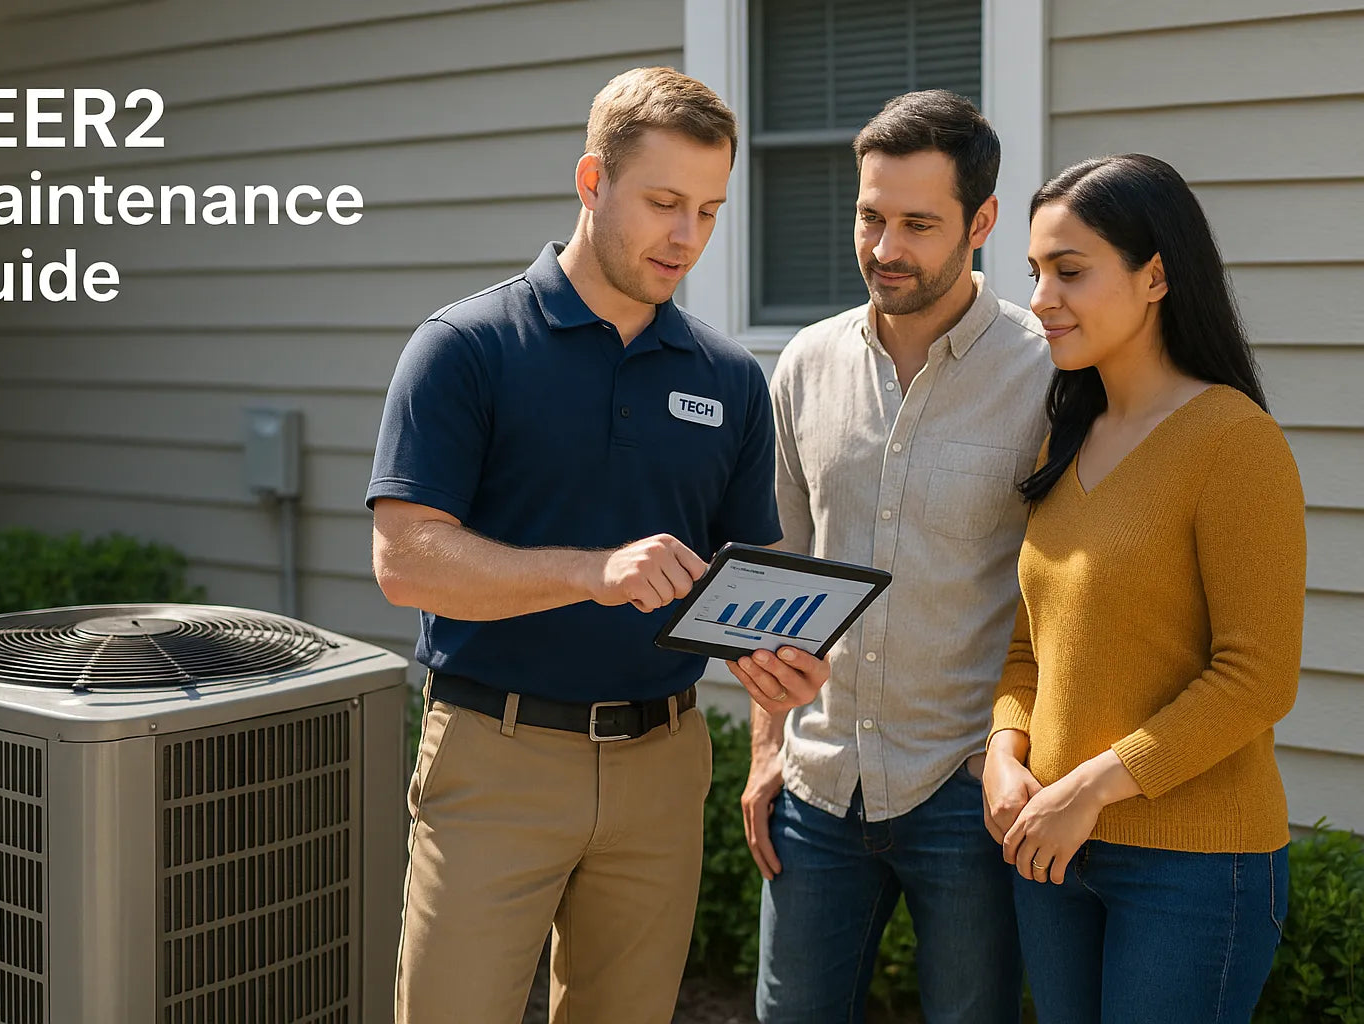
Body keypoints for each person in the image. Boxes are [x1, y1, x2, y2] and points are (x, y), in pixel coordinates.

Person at [367, 66, 831, 1024]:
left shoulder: (731, 379)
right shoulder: (467, 347)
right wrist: (591, 573)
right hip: (496, 758)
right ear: (592, 181)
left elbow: (741, 578)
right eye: (664, 203)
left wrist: (776, 659)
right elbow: (404, 559)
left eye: (708, 210)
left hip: (664, 763)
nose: (688, 238)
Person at [734, 89, 1052, 1024]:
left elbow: (1058, 595)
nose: (885, 247)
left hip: (963, 790)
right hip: (817, 783)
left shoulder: (1047, 373)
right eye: (871, 217)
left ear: (982, 222)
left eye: (918, 223)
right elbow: (778, 569)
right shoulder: (804, 363)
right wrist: (764, 750)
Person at [984, 153, 1306, 1023]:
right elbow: (1030, 646)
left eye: (1070, 271)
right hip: (1051, 855)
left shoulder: (1235, 444)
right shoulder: (1067, 439)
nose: (1041, 297)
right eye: (1036, 273)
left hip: (1194, 871)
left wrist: (1088, 789)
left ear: (1156, 274)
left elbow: (1258, 676)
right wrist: (1003, 754)